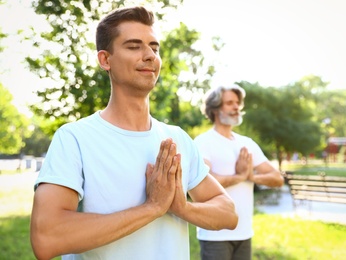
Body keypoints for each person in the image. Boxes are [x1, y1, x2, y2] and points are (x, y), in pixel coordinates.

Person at [30, 6, 238, 260]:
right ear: (105, 60)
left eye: (154, 47)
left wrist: (182, 207)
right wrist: (152, 208)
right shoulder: (74, 138)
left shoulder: (177, 138)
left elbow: (228, 213)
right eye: (134, 46)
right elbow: (47, 237)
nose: (150, 55)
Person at [194, 84, 284, 260]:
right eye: (229, 103)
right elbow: (203, 182)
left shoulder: (247, 143)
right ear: (214, 108)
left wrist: (251, 177)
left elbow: (277, 178)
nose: (236, 107)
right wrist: (239, 177)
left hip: (244, 233)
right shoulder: (202, 142)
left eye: (237, 103)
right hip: (215, 234)